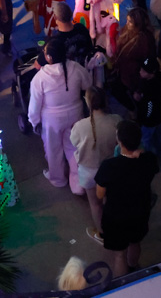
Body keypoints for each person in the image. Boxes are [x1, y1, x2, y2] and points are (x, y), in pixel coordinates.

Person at [95, 120, 160, 278]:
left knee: (119, 255)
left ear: (120, 141)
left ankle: (123, 284)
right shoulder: (148, 161)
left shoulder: (109, 166)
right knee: (135, 242)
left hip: (116, 217)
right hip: (140, 212)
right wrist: (141, 154)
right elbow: (151, 161)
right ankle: (133, 267)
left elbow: (99, 195)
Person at [29, 39, 92, 195]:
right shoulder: (76, 68)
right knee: (74, 148)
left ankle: (58, 179)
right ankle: (78, 185)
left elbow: (35, 105)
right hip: (75, 115)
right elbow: (87, 84)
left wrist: (34, 121)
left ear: (49, 58)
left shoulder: (40, 78)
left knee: (53, 149)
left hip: (51, 121)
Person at [71, 88, 123, 244]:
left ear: (88, 103)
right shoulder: (116, 120)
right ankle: (115, 227)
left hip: (88, 172)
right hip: (110, 170)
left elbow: (73, 143)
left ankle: (102, 234)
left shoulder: (80, 126)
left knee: (95, 204)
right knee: (111, 201)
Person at [113, 8, 157, 114]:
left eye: (130, 22)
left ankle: (134, 112)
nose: (127, 23)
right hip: (124, 72)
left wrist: (140, 88)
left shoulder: (145, 40)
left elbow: (148, 61)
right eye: (127, 20)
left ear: (138, 23)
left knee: (135, 99)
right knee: (117, 90)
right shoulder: (127, 30)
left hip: (134, 76)